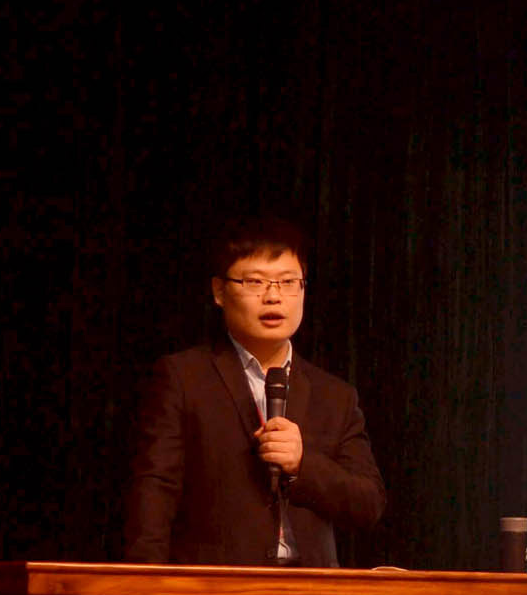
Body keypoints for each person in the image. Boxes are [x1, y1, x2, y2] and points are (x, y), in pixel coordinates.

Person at [123, 219, 385, 565]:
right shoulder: (184, 378)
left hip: (312, 588)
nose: (273, 296)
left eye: (288, 282)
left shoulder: (335, 395)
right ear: (219, 291)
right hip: (217, 586)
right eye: (255, 282)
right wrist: (146, 585)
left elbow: (369, 504)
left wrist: (302, 465)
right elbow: (155, 489)